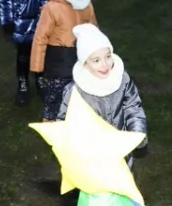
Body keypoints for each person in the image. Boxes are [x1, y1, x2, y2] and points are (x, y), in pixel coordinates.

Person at [56, 24, 147, 165]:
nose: (105, 65)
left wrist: (137, 134)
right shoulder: (75, 91)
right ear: (84, 63)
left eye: (108, 56)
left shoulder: (122, 80)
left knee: (121, 184)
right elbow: (64, 122)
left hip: (120, 152)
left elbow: (133, 108)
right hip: (89, 157)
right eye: (96, 60)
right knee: (94, 185)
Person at [29, 0, 98, 122]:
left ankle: (73, 117)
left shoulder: (87, 5)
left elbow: (94, 29)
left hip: (80, 55)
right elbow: (41, 37)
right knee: (55, 91)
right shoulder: (52, 8)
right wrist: (37, 66)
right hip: (58, 58)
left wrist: (97, 52)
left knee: (80, 87)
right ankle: (49, 119)